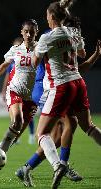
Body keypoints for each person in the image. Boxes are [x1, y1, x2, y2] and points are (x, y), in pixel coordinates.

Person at [30, 0, 101, 188]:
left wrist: (35, 50)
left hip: (60, 86)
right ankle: (55, 164)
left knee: (42, 133)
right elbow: (82, 54)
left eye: (47, 14)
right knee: (88, 126)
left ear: (52, 17)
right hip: (78, 82)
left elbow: (34, 63)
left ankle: (57, 165)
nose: (46, 17)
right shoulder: (74, 32)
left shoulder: (46, 38)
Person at [16, 39, 101, 187]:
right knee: (70, 123)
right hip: (48, 89)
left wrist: (95, 56)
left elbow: (78, 69)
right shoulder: (55, 40)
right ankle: (61, 165)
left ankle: (27, 168)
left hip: (55, 87)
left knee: (56, 137)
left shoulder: (62, 43)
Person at [0, 19, 39, 155]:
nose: (28, 35)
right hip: (14, 90)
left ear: (36, 33)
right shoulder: (16, 49)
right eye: (26, 31)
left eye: (31, 32)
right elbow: (4, 66)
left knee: (17, 134)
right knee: (17, 121)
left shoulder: (40, 49)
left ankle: (0, 149)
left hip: (28, 96)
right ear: (22, 32)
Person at [1, 37, 36, 145]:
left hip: (27, 90)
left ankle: (30, 135)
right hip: (14, 89)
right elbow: (7, 76)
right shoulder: (11, 62)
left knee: (27, 115)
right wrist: (3, 90)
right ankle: (13, 139)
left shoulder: (31, 56)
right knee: (16, 117)